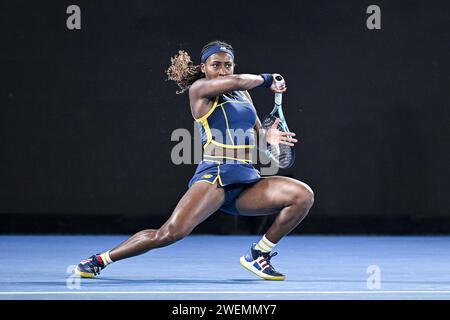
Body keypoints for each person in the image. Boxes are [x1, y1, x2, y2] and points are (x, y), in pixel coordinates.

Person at [75, 40, 314, 281]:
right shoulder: (200, 90)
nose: (222, 70)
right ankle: (99, 260)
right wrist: (267, 78)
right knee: (168, 234)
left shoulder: (243, 94)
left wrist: (269, 137)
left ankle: (258, 254)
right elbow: (239, 80)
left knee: (302, 195)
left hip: (245, 179)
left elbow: (257, 134)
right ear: (203, 68)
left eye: (228, 65)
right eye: (216, 65)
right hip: (215, 178)